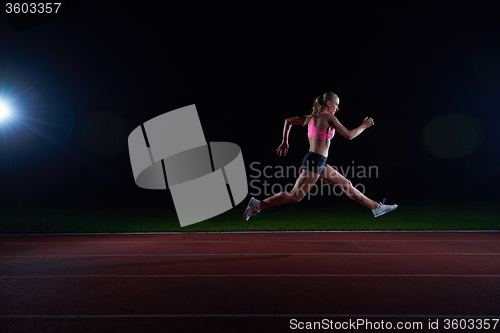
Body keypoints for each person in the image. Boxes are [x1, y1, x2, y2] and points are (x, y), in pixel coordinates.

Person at [244, 92, 397, 221]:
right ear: (329, 103)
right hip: (315, 161)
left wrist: (285, 141)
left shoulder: (312, 118)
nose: (338, 108)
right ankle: (257, 204)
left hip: (318, 161)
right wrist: (364, 126)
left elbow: (288, 121)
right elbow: (349, 135)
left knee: (346, 184)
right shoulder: (328, 118)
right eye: (336, 104)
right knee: (295, 196)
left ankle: (376, 207)